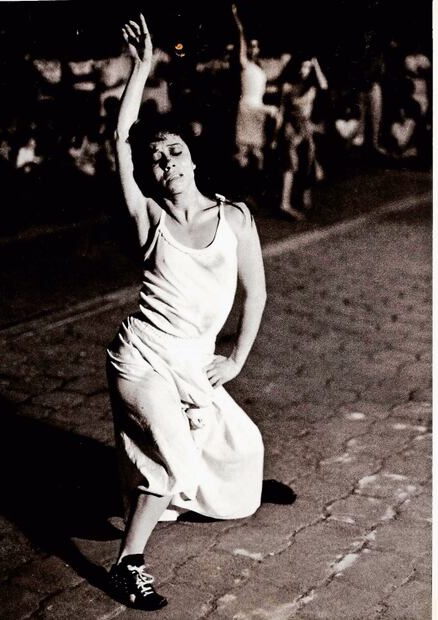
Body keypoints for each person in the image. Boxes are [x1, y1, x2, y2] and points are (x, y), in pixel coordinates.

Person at [106, 15, 269, 610]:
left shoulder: (235, 218)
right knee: (172, 461)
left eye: (174, 151)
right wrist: (142, 69)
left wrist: (237, 359)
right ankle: (128, 563)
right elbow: (120, 140)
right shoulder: (148, 218)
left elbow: (257, 294)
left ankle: (193, 491)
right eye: (156, 159)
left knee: (244, 445)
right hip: (142, 359)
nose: (166, 162)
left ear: (193, 158)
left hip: (196, 363)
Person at [274, 55, 328, 220]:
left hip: (306, 128)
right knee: (290, 165)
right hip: (291, 127)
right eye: (303, 67)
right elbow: (282, 111)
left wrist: (315, 64)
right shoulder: (288, 86)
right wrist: (275, 136)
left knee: (307, 163)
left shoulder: (311, 87)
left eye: (307, 68)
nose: (304, 71)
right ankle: (284, 204)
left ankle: (301, 195)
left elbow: (324, 85)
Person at [230, 4, 278, 172]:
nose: (253, 48)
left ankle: (260, 177)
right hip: (247, 106)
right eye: (251, 46)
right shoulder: (245, 64)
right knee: (244, 149)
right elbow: (241, 37)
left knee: (257, 151)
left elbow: (261, 88)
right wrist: (237, 20)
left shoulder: (261, 69)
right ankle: (241, 176)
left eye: (255, 46)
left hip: (257, 106)